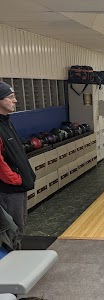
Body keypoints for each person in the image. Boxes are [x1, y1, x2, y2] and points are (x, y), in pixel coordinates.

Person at [0, 81, 36, 249]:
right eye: (11, 97)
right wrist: (15, 179)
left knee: (19, 228)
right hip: (9, 190)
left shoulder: (6, 122)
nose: (15, 101)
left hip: (18, 187)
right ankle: (10, 269)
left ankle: (17, 263)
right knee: (12, 231)